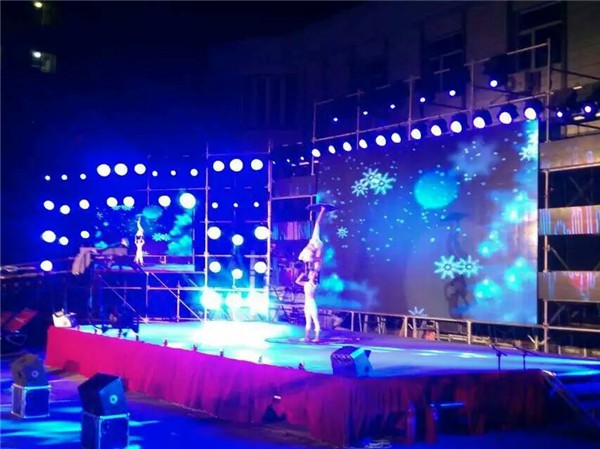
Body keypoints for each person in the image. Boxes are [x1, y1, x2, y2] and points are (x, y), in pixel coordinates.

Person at [297, 206, 326, 273]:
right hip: (315, 244)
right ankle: (322, 210)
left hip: (315, 244)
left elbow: (318, 259)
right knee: (317, 225)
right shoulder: (301, 257)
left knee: (317, 225)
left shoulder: (305, 259)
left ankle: (323, 210)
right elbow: (318, 259)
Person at [295, 270, 321, 342]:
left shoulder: (315, 285)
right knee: (308, 321)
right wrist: (302, 275)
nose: (310, 275)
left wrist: (313, 290)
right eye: (310, 274)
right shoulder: (306, 283)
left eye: (312, 274)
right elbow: (297, 281)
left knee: (315, 320)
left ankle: (317, 337)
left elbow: (312, 295)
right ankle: (307, 337)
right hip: (307, 304)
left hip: (312, 304)